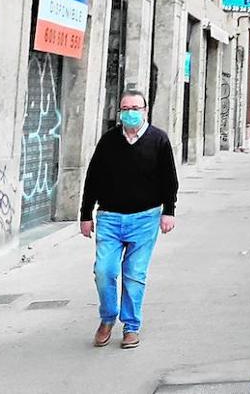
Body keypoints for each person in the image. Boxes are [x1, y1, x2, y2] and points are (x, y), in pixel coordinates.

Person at [79, 89, 178, 351]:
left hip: (145, 219)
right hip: (109, 218)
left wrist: (169, 211)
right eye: (126, 108)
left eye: (136, 108)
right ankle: (107, 318)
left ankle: (131, 326)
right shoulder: (108, 141)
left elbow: (170, 180)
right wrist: (85, 214)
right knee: (105, 271)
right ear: (119, 112)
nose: (131, 113)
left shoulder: (159, 140)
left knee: (134, 274)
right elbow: (93, 178)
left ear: (145, 111)